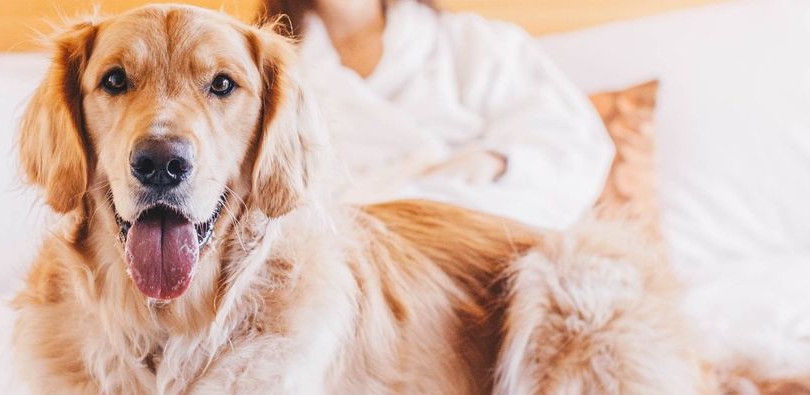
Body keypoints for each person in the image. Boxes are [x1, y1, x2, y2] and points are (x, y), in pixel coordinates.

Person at [261, 0, 614, 229]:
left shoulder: (474, 42)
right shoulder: (275, 77)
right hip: (367, 252)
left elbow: (573, 143)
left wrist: (498, 161)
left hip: (488, 225)